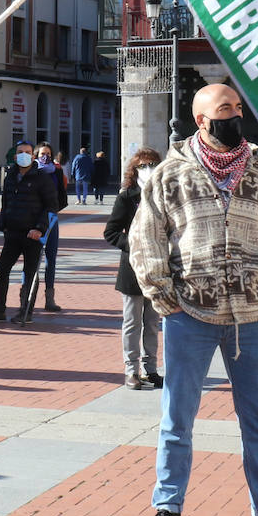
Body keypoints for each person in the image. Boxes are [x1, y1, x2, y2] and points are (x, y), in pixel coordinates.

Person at [129, 83, 258, 516]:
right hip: (190, 315)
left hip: (253, 315)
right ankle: (168, 509)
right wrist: (162, 296)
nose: (235, 115)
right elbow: (145, 238)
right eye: (224, 109)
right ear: (202, 121)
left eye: (238, 107)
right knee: (177, 419)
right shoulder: (170, 176)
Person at [0, 140, 57, 325]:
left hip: (32, 234)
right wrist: (3, 224)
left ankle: (25, 311)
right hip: (12, 232)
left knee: (30, 273)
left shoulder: (41, 177)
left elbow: (51, 205)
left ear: (32, 155)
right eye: (20, 152)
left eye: (28, 152)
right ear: (15, 156)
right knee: (2, 269)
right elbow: (5, 202)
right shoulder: (10, 176)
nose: (24, 155)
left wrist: (39, 228)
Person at [104, 148, 163, 389]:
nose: (148, 169)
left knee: (152, 322)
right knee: (132, 322)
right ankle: (132, 370)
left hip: (157, 267)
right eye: (143, 165)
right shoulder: (127, 196)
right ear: (135, 169)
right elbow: (111, 232)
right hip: (133, 267)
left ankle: (150, 369)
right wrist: (134, 244)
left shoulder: (165, 195)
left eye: (152, 164)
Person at [29, 141, 68, 312]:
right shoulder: (31, 171)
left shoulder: (56, 172)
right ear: (36, 155)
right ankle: (28, 299)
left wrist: (53, 209)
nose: (46, 157)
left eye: (49, 154)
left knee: (51, 259)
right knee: (32, 259)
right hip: (34, 219)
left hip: (52, 218)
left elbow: (62, 195)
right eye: (42, 154)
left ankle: (49, 299)